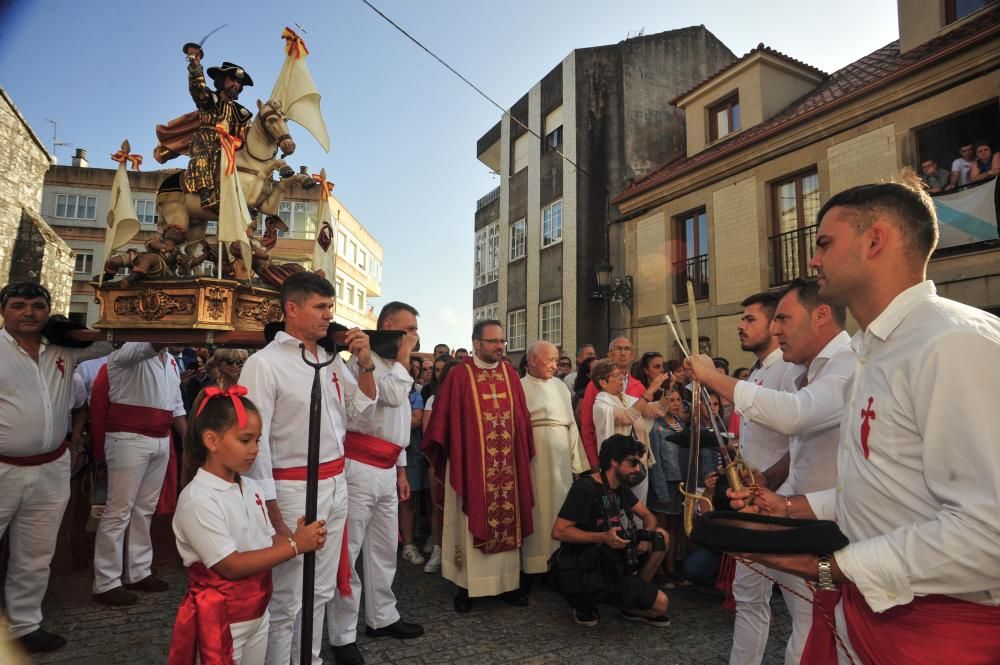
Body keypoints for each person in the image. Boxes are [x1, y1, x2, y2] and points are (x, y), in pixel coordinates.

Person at [731, 176, 1000, 663]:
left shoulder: (953, 343)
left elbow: (989, 531)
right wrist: (786, 510)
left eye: (825, 244)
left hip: (938, 629)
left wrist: (833, 567)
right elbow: (884, 488)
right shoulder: (868, 352)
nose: (813, 260)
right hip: (877, 615)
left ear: (876, 240)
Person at [687, 277, 854, 665]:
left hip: (830, 533)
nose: (777, 330)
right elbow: (802, 452)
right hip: (794, 517)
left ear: (822, 315)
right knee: (768, 600)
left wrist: (712, 376)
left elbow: (794, 418)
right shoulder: (804, 369)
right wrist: (772, 499)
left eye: (782, 319)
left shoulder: (848, 365)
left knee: (816, 615)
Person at [240, 271, 377, 665]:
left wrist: (364, 363)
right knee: (287, 595)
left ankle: (310, 659)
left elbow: (360, 412)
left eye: (330, 307)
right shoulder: (264, 364)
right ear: (292, 309)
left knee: (319, 590)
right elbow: (255, 444)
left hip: (336, 483)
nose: (327, 315)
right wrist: (273, 511)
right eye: (320, 307)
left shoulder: (329, 359)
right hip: (292, 488)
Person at [169, 387, 327, 665]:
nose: (254, 449)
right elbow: (230, 565)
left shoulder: (251, 487)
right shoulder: (198, 499)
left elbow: (268, 540)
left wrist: (300, 537)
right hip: (220, 620)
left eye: (258, 440)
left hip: (258, 612)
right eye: (245, 440)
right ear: (211, 440)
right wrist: (295, 546)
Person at [0, 282, 95, 653]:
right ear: (4, 310)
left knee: (36, 553)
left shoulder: (62, 348)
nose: (29, 313)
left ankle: (25, 625)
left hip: (51, 467)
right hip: (3, 467)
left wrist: (70, 328)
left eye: (38, 306)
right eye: (19, 305)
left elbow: (112, 340)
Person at [328, 302, 424, 665]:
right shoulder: (361, 360)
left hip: (386, 468)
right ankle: (342, 635)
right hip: (359, 467)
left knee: (384, 549)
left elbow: (397, 426)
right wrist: (402, 357)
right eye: (409, 328)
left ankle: (383, 617)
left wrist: (400, 470)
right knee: (349, 552)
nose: (414, 334)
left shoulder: (397, 366)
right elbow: (392, 397)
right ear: (389, 325)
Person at [423, 320, 536, 613]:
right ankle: (467, 586)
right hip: (471, 464)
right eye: (494, 341)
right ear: (476, 344)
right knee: (469, 523)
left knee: (508, 519)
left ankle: (508, 585)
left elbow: (522, 418)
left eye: (502, 341)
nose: (500, 346)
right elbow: (443, 421)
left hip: (506, 465)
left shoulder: (510, 375)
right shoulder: (460, 376)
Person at [720, 291, 800, 665]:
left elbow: (801, 440)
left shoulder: (790, 368)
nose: (740, 325)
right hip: (751, 504)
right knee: (749, 598)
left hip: (784, 506)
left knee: (804, 606)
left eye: (750, 319)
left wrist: (767, 481)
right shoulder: (757, 371)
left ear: (775, 323)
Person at [92, 341, 188, 606]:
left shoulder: (170, 361)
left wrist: (190, 439)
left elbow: (176, 405)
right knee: (118, 510)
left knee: (144, 509)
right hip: (128, 438)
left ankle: (138, 570)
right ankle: (106, 581)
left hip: (159, 439)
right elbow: (145, 347)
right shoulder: (125, 354)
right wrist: (165, 332)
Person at [551, 434, 670, 627]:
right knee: (661, 606)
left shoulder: (620, 487)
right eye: (632, 462)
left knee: (660, 537)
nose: (637, 468)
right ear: (614, 461)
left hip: (614, 560)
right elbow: (559, 531)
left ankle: (629, 598)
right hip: (589, 565)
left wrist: (646, 537)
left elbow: (649, 516)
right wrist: (602, 537)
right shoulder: (586, 488)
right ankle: (586, 602)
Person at [519, 340, 589, 581]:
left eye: (556, 360)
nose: (554, 365)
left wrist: (577, 464)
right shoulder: (519, 387)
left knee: (562, 508)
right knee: (536, 511)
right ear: (532, 360)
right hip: (534, 459)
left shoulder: (561, 387)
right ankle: (534, 567)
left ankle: (561, 565)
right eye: (549, 360)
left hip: (560, 461)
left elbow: (572, 425)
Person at [179, 47, 254, 209]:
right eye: (232, 80)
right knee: (202, 157)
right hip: (205, 139)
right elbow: (197, 88)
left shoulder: (242, 113)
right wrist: (195, 66)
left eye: (239, 83)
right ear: (221, 80)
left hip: (229, 146)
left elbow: (249, 134)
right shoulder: (209, 98)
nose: (236, 84)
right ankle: (205, 192)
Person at [589, 359, 668, 507]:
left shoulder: (630, 400)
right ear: (603, 382)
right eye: (615, 375)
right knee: (621, 509)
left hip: (638, 462)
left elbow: (658, 410)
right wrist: (649, 391)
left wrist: (668, 391)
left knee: (640, 508)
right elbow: (627, 417)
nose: (621, 378)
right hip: (618, 467)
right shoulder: (600, 406)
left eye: (621, 375)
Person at [420, 358, 461, 574]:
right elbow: (429, 433)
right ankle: (438, 549)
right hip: (440, 459)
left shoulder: (468, 398)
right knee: (439, 506)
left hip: (463, 462)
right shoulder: (434, 399)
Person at [579, 338, 644, 469]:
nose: (623, 353)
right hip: (608, 459)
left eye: (627, 349)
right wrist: (594, 461)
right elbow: (587, 425)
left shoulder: (639, 387)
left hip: (636, 458)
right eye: (618, 349)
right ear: (609, 354)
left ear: (632, 355)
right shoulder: (594, 385)